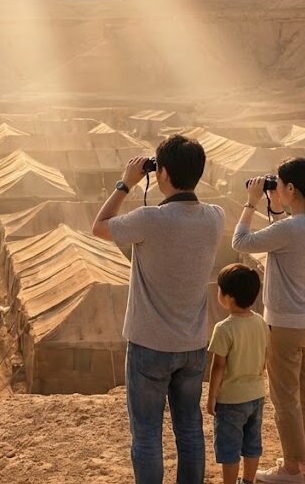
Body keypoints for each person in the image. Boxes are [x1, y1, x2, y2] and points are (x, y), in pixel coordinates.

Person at [92, 134, 224, 484]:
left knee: (148, 434)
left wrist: (125, 183)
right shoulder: (215, 217)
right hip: (193, 346)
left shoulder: (149, 219)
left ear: (161, 173)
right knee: (190, 432)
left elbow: (99, 226)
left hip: (149, 345)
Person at [232, 157, 305, 484]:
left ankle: (290, 470)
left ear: (290, 188)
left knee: (285, 398)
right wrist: (275, 206)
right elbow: (283, 235)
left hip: (287, 325)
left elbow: (241, 243)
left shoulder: (290, 229)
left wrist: (250, 203)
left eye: (278, 182)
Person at [207, 264, 269, 484]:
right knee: (253, 443)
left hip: (231, 399)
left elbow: (218, 366)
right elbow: (264, 357)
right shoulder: (261, 322)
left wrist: (211, 396)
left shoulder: (223, 328)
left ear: (228, 297)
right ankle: (248, 481)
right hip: (257, 395)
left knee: (229, 447)